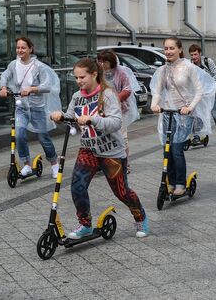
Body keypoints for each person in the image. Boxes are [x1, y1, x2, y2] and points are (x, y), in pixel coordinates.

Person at [50, 58, 148, 238]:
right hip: (88, 150)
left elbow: (116, 122)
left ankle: (140, 216)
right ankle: (85, 225)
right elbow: (71, 117)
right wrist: (60, 116)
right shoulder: (77, 96)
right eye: (76, 77)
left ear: (94, 74)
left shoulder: (108, 94)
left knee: (122, 192)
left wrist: (92, 119)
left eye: (82, 77)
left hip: (111, 152)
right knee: (77, 187)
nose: (78, 81)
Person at [150, 37, 215, 196]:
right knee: (167, 149)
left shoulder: (188, 67)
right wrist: (154, 104)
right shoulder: (163, 69)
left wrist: (190, 107)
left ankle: (180, 183)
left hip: (184, 113)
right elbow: (157, 91)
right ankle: (170, 182)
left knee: (177, 149)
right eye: (166, 48)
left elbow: (199, 91)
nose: (168, 51)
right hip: (168, 113)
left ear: (179, 49)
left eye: (172, 48)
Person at [0, 36, 61, 179]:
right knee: (19, 134)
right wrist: (3, 87)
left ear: (30, 49)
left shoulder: (38, 66)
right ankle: (26, 164)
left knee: (43, 137)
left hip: (37, 107)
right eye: (18, 47)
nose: (20, 50)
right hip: (21, 107)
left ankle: (54, 163)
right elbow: (4, 76)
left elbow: (47, 86)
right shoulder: (13, 65)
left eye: (23, 48)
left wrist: (32, 89)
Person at [96, 50, 140, 171]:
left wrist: (115, 100)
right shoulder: (99, 73)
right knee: (104, 137)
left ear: (111, 62)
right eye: (100, 61)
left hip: (120, 110)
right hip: (102, 110)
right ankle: (105, 162)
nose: (102, 64)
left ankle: (125, 163)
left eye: (104, 62)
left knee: (121, 137)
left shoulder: (121, 73)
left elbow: (127, 89)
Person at [188, 44, 216, 145]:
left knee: (214, 113)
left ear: (200, 53)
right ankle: (197, 136)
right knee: (196, 114)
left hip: (209, 92)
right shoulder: (189, 64)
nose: (194, 57)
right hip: (196, 93)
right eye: (192, 55)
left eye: (195, 54)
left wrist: (207, 79)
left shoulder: (207, 61)